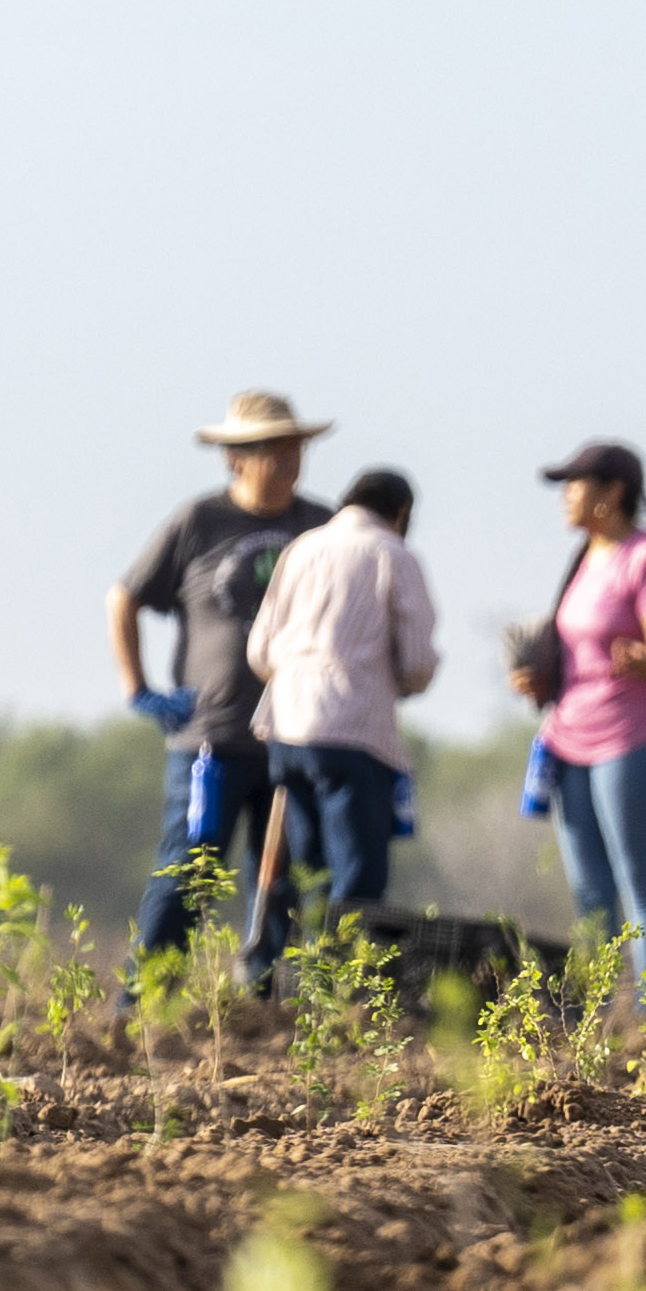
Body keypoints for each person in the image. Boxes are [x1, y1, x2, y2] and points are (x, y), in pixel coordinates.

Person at [118, 393, 326, 960]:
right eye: (269, 449)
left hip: (295, 735)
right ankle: (148, 993)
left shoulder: (320, 526)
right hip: (211, 736)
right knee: (190, 867)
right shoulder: (200, 521)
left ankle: (267, 993)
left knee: (285, 875)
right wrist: (138, 688)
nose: (285, 459)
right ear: (235, 457)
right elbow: (125, 597)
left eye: (292, 447)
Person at [251, 462, 439, 957]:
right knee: (357, 874)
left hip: (287, 728)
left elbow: (259, 650)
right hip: (353, 729)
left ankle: (303, 977)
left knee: (309, 868)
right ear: (400, 513)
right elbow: (417, 662)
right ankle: (340, 985)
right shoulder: (392, 554)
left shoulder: (302, 548)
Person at [536, 439, 646, 978]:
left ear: (612, 493)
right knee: (589, 890)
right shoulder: (584, 560)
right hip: (570, 737)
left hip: (636, 736)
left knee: (640, 882)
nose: (565, 498)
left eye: (573, 485)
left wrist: (638, 658)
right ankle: (589, 1016)